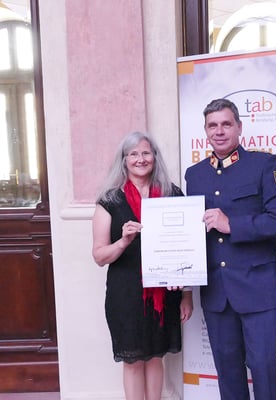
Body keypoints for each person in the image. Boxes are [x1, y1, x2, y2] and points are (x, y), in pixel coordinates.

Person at [184, 98, 276, 400]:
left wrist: (231, 224)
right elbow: (192, 231)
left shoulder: (265, 165)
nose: (219, 131)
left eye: (226, 124)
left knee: (265, 371)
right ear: (205, 131)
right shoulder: (195, 174)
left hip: (259, 291)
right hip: (217, 293)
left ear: (239, 127)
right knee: (228, 374)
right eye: (212, 125)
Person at [92, 131, 193, 400]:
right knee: (134, 360)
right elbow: (99, 256)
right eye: (133, 154)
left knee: (156, 357)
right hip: (126, 294)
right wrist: (123, 242)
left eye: (146, 153)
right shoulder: (110, 201)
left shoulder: (172, 194)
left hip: (166, 293)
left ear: (155, 157)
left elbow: (187, 248)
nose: (140, 159)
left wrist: (187, 294)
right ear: (124, 160)